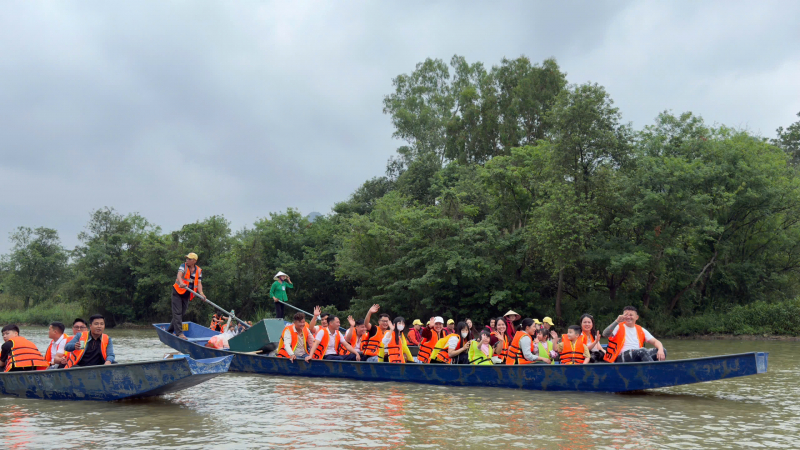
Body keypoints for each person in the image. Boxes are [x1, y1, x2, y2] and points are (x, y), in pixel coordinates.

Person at [602, 306, 666, 363]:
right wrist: (617, 321)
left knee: (663, 351)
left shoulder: (641, 329)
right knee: (642, 351)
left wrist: (660, 349)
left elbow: (655, 341)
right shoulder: (618, 326)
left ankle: (651, 368)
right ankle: (653, 370)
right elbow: (605, 334)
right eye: (626, 315)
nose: (628, 317)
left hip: (638, 355)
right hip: (620, 358)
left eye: (631, 315)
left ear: (636, 317)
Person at [169, 252, 205, 339]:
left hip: (186, 294)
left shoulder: (198, 270)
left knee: (181, 313)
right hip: (177, 292)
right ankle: (179, 333)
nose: (187, 260)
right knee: (177, 313)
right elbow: (179, 275)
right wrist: (181, 283)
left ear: (194, 261)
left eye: (189, 259)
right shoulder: (183, 266)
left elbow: (199, 283)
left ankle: (170, 330)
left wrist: (201, 293)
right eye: (187, 258)